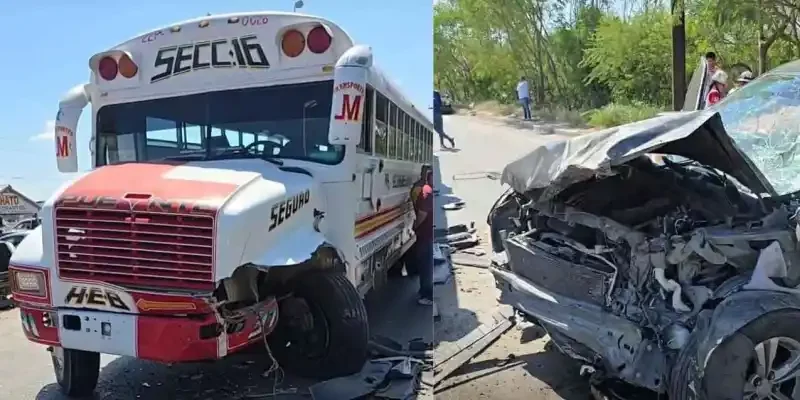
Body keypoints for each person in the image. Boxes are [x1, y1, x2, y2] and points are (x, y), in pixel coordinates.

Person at [410, 166, 434, 306]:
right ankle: (425, 293)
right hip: (426, 234)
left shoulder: (425, 190)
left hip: (425, 234)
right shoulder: (427, 190)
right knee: (425, 266)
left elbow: (422, 213)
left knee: (425, 266)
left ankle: (426, 293)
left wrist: (416, 226)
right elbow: (423, 212)